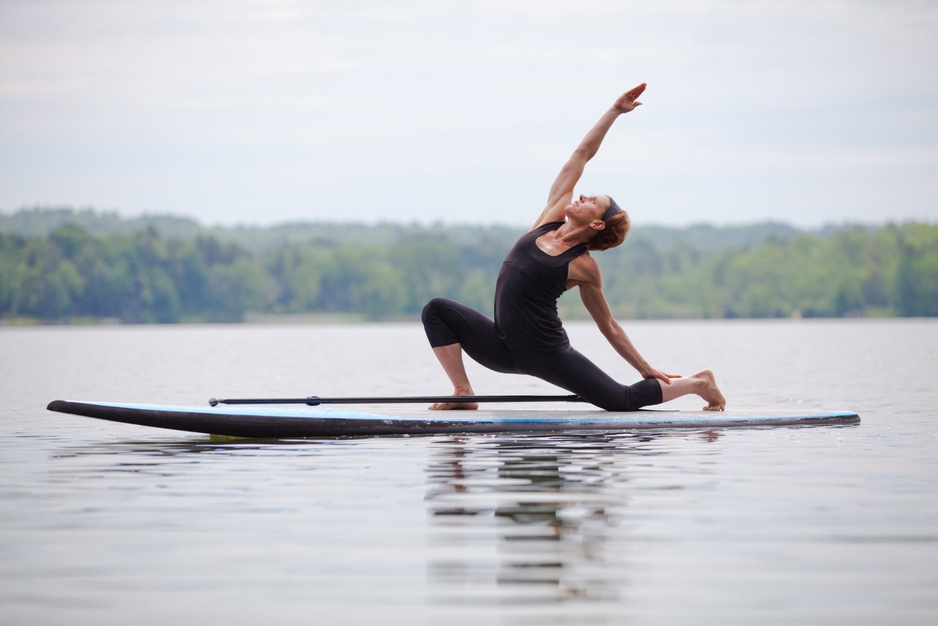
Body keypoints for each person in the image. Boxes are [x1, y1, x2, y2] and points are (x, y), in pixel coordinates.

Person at [421, 83, 726, 412]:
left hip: (546, 353)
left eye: (592, 200)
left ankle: (698, 383)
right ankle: (463, 391)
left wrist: (644, 368)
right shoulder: (547, 220)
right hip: (502, 346)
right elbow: (581, 156)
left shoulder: (583, 266)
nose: (581, 196)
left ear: (597, 224)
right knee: (437, 310)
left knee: (620, 401)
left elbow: (607, 324)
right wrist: (614, 112)